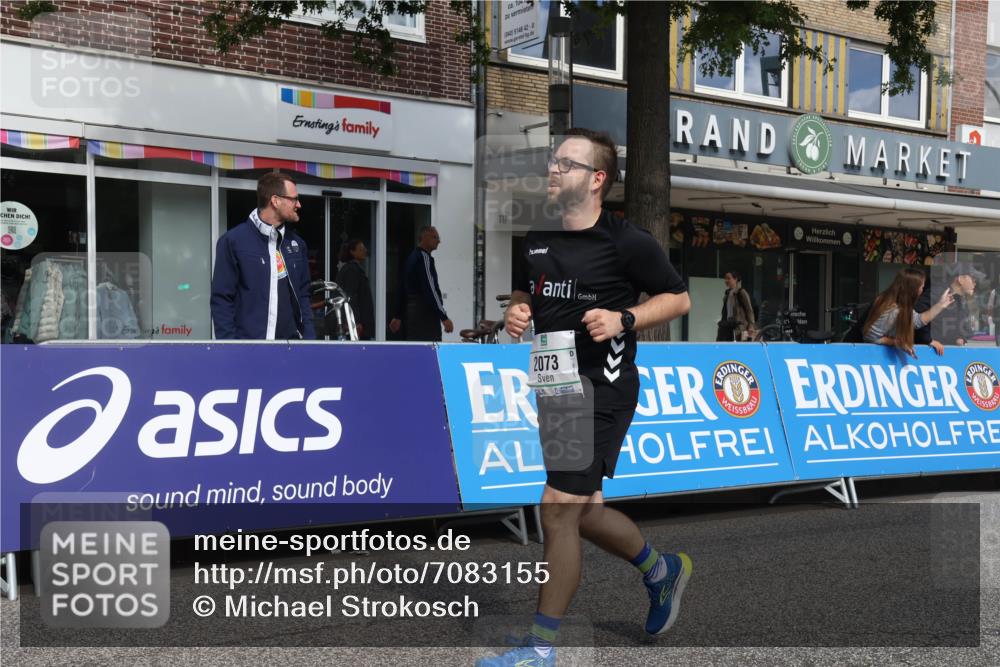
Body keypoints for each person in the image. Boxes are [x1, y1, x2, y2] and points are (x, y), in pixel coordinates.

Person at [479, 129, 692, 667]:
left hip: (603, 390)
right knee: (585, 511)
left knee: (555, 511)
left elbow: (678, 297)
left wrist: (626, 317)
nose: (554, 170)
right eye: (554, 162)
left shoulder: (626, 241)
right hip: (556, 388)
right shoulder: (537, 236)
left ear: (597, 180)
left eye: (567, 164)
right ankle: (661, 570)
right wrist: (518, 310)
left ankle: (541, 648)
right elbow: (531, 287)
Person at [211, 172, 315, 340]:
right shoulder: (233, 241)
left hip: (292, 350)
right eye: (294, 199)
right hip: (248, 352)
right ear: (275, 200)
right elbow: (222, 299)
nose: (299, 204)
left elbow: (304, 296)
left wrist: (309, 340)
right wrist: (229, 347)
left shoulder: (297, 245)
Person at [863, 267, 953, 357]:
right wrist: (896, 342)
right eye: (922, 287)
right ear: (913, 289)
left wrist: (941, 305)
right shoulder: (892, 309)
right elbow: (870, 337)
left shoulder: (901, 305)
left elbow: (917, 321)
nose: (922, 290)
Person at [388, 225, 453, 341]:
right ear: (425, 237)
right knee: (430, 351)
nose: (439, 241)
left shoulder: (411, 258)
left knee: (415, 350)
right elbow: (430, 289)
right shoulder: (424, 258)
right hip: (425, 316)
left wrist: (398, 315)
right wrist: (444, 317)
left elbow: (402, 288)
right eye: (435, 237)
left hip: (412, 316)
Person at [915, 261, 985, 347]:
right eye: (973, 279)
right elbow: (916, 317)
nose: (975, 283)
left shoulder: (960, 298)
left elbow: (962, 326)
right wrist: (928, 340)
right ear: (960, 279)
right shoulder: (937, 292)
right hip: (927, 353)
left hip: (948, 353)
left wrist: (961, 338)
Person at [335, 239, 375, 340]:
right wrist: (355, 322)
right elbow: (350, 297)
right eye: (361, 249)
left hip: (358, 325)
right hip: (356, 327)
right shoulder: (351, 270)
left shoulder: (354, 269)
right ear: (352, 252)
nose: (365, 251)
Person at [716, 270, 756, 341]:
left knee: (737, 348)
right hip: (728, 326)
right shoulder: (727, 294)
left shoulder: (741, 292)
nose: (726, 281)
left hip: (738, 327)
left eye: (729, 278)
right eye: (725, 279)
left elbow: (749, 310)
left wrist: (751, 325)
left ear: (735, 279)